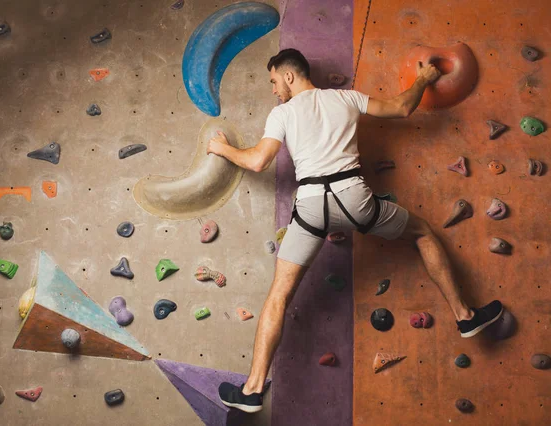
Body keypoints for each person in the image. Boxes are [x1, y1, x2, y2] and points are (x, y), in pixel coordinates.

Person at [208, 48, 503, 414]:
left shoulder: (282, 113)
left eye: (273, 81)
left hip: (312, 205)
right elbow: (401, 107)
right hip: (354, 198)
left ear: (289, 76)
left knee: (279, 297)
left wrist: (221, 148)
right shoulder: (346, 98)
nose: (273, 90)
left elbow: (256, 160)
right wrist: (424, 79)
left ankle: (252, 390)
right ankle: (464, 316)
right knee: (423, 233)